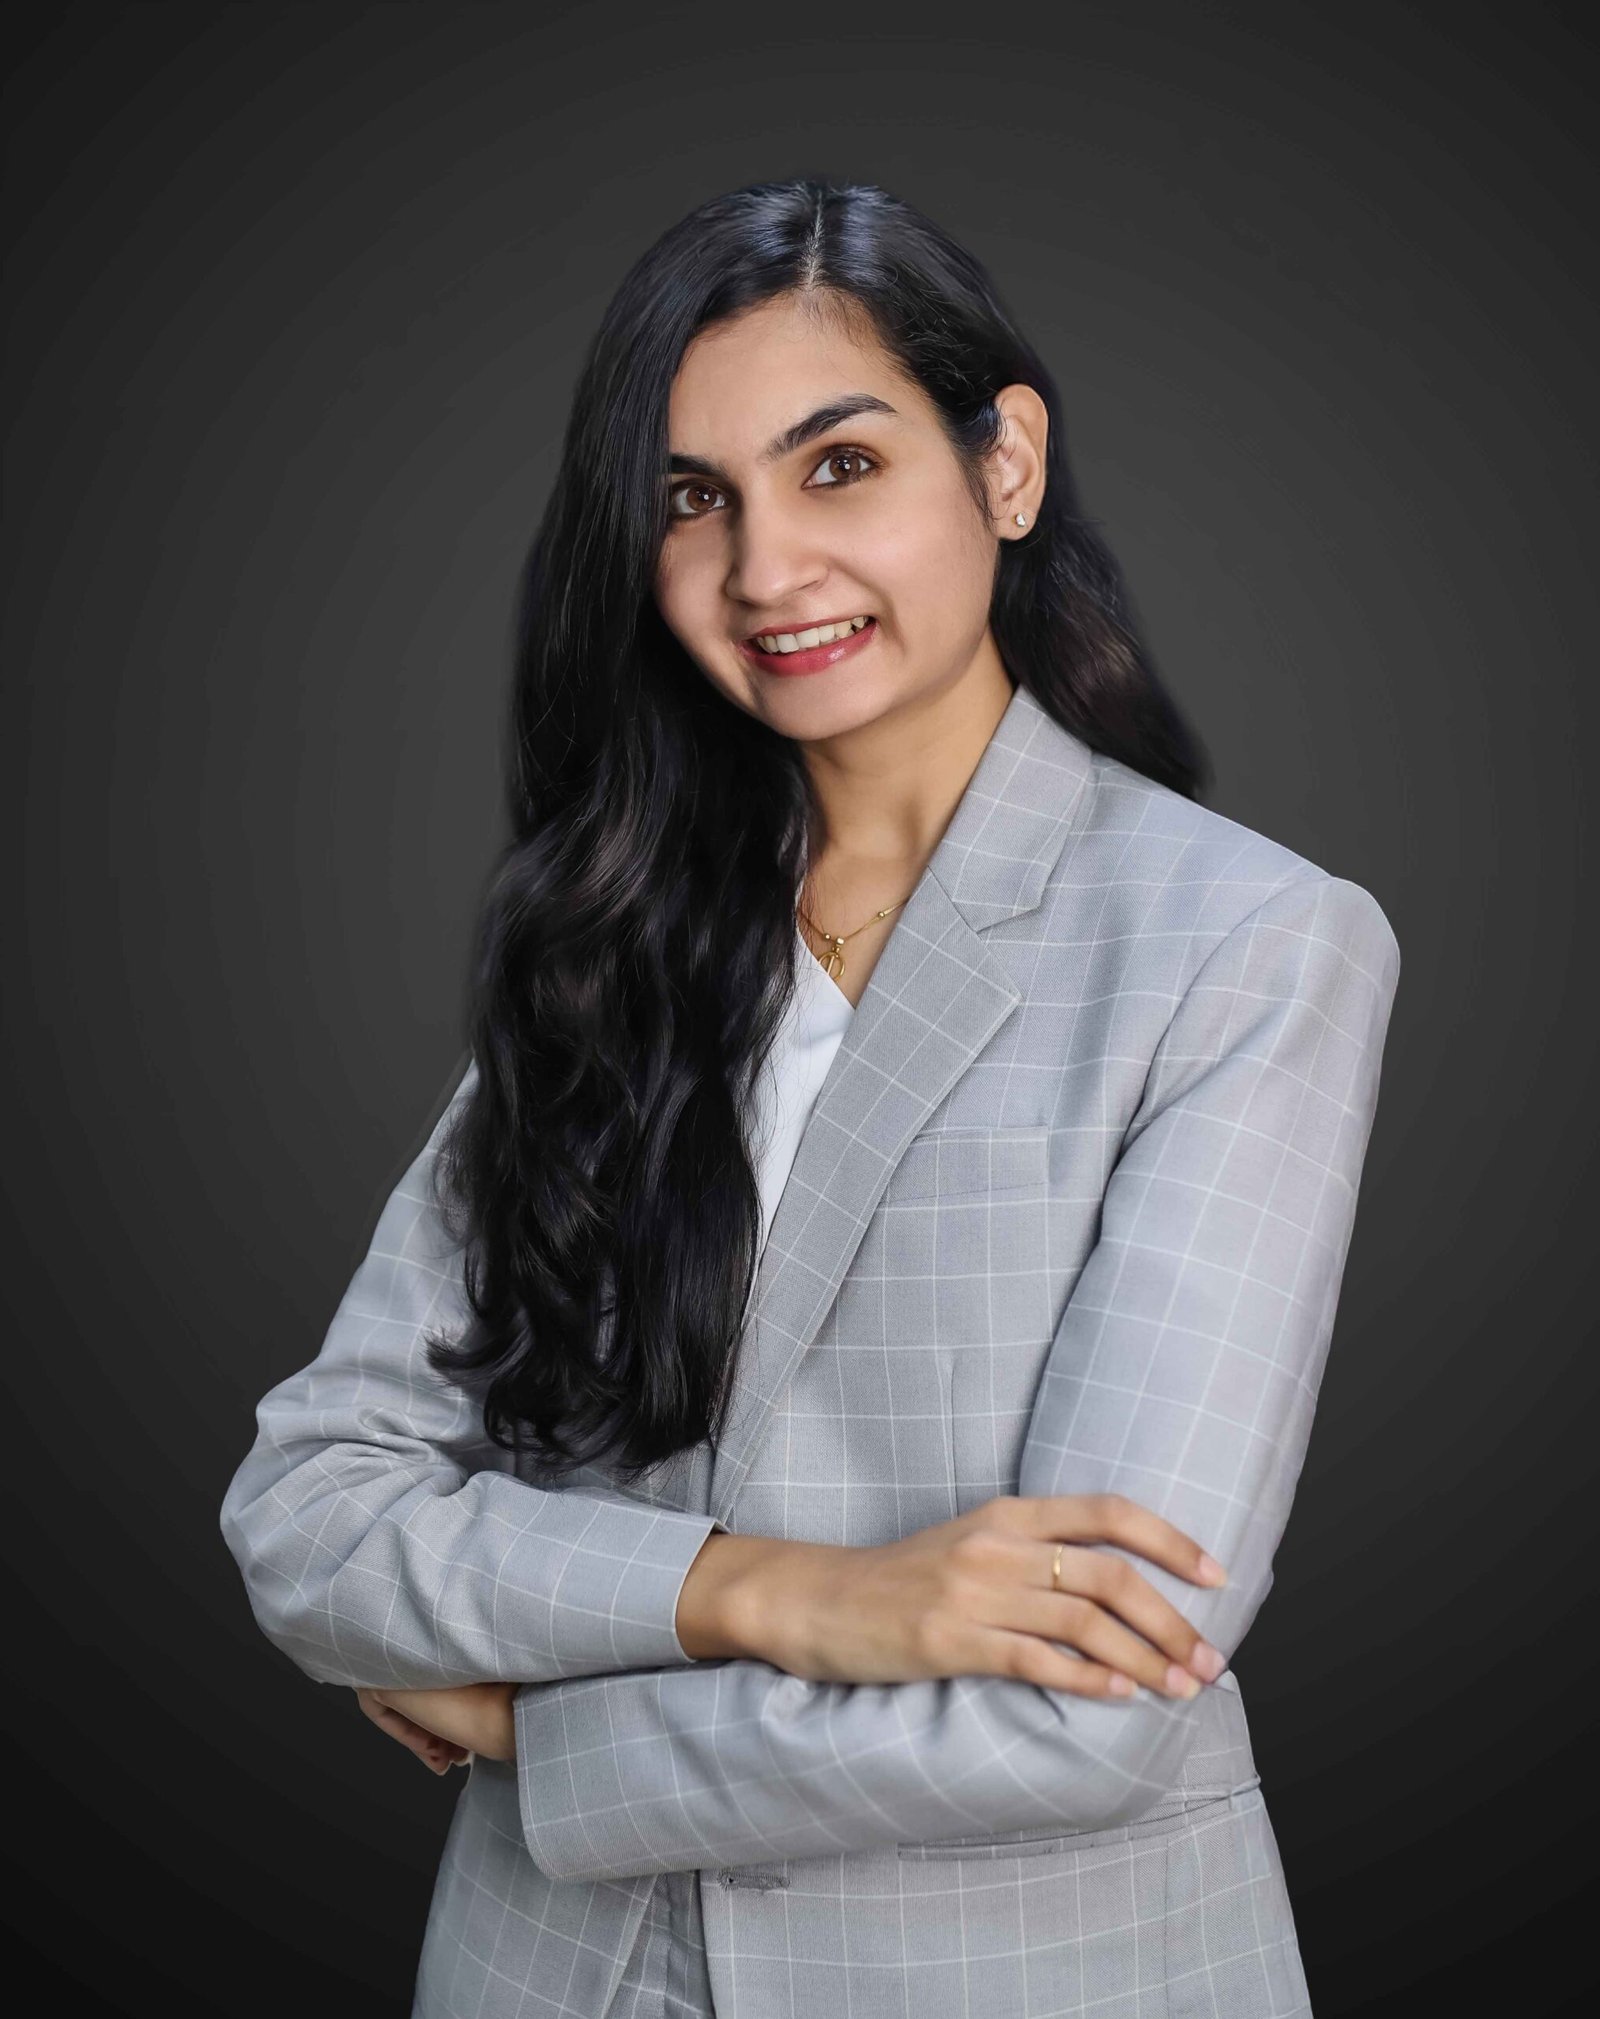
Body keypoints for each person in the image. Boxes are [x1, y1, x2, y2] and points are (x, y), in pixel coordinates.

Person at [220, 176, 1400, 2018]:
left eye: (838, 466)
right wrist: (770, 1593)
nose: (765, 570)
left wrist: (533, 1728)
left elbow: (1090, 1696)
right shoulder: (614, 939)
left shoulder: (1239, 945)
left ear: (1006, 465)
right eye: (693, 500)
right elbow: (310, 1513)